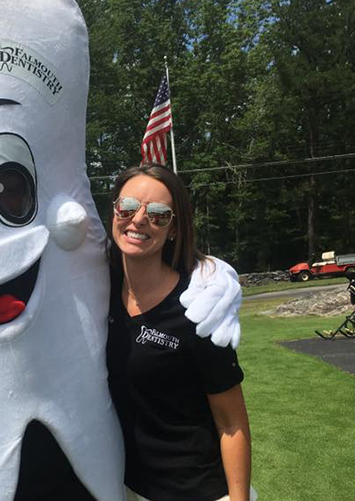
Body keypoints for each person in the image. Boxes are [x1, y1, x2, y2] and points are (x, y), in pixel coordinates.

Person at [105, 164, 254, 501]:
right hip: (127, 488)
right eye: (127, 206)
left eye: (159, 214)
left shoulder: (199, 307)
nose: (139, 220)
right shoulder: (100, 287)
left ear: (173, 228)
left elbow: (231, 423)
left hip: (197, 491)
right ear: (114, 211)